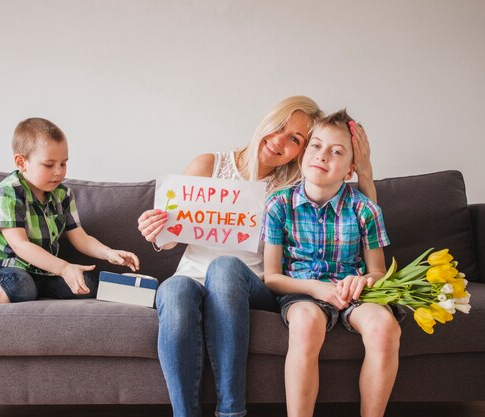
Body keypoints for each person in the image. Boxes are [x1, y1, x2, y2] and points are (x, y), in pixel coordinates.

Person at [137, 97, 377, 417]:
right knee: (174, 289)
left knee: (224, 268)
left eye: (295, 139)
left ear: (303, 151)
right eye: (279, 127)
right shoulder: (208, 164)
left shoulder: (296, 184)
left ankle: (231, 411)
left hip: (252, 285)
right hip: (192, 275)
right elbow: (171, 237)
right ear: (266, 120)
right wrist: (157, 231)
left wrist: (363, 169)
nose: (279, 141)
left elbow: (358, 215)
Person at [262, 109, 403, 417]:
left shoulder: (365, 209)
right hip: (304, 291)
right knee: (306, 323)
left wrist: (365, 281)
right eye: (316, 145)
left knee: (384, 327)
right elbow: (271, 277)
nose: (322, 156)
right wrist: (318, 290)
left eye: (336, 151)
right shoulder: (279, 205)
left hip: (352, 291)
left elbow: (377, 270)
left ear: (350, 169)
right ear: (302, 155)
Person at [0, 117, 140, 303]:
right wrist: (64, 267)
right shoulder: (7, 193)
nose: (59, 172)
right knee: (19, 287)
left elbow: (80, 237)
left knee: (87, 284)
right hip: (7, 269)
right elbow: (20, 246)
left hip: (45, 269)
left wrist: (108, 253)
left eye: (63, 163)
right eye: (49, 165)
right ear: (21, 163)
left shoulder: (63, 195)